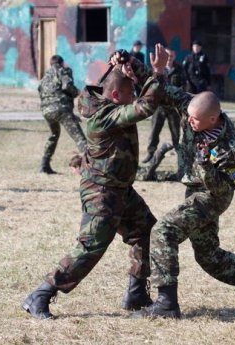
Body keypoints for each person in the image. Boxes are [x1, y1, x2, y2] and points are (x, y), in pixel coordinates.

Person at [22, 44, 169, 319]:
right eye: (129, 93)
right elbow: (147, 104)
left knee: (144, 228)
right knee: (90, 246)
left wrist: (130, 65)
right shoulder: (105, 116)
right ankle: (41, 294)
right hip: (102, 192)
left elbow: (140, 93)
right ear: (115, 95)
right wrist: (158, 72)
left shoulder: (109, 102)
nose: (133, 97)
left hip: (119, 189)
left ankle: (136, 292)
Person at [132, 90, 235, 319]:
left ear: (212, 119)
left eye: (194, 119)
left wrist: (205, 164)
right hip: (193, 189)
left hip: (212, 196)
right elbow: (164, 89)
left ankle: (166, 303)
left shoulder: (232, 145)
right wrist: (134, 65)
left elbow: (224, 188)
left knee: (164, 231)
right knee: (209, 258)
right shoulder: (193, 108)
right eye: (189, 116)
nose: (188, 120)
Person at [38, 55, 87, 174]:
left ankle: (44, 165)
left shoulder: (45, 76)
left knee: (54, 135)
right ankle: (94, 167)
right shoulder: (62, 71)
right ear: (62, 63)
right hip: (61, 108)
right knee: (80, 139)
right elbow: (67, 86)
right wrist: (79, 93)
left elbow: (40, 90)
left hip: (46, 110)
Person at [142, 47, 185, 164]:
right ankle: (150, 153)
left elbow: (184, 86)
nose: (169, 58)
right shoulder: (158, 70)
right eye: (167, 56)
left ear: (174, 56)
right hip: (159, 107)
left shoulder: (180, 69)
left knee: (176, 134)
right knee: (154, 132)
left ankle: (180, 158)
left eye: (171, 56)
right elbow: (152, 85)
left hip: (173, 107)